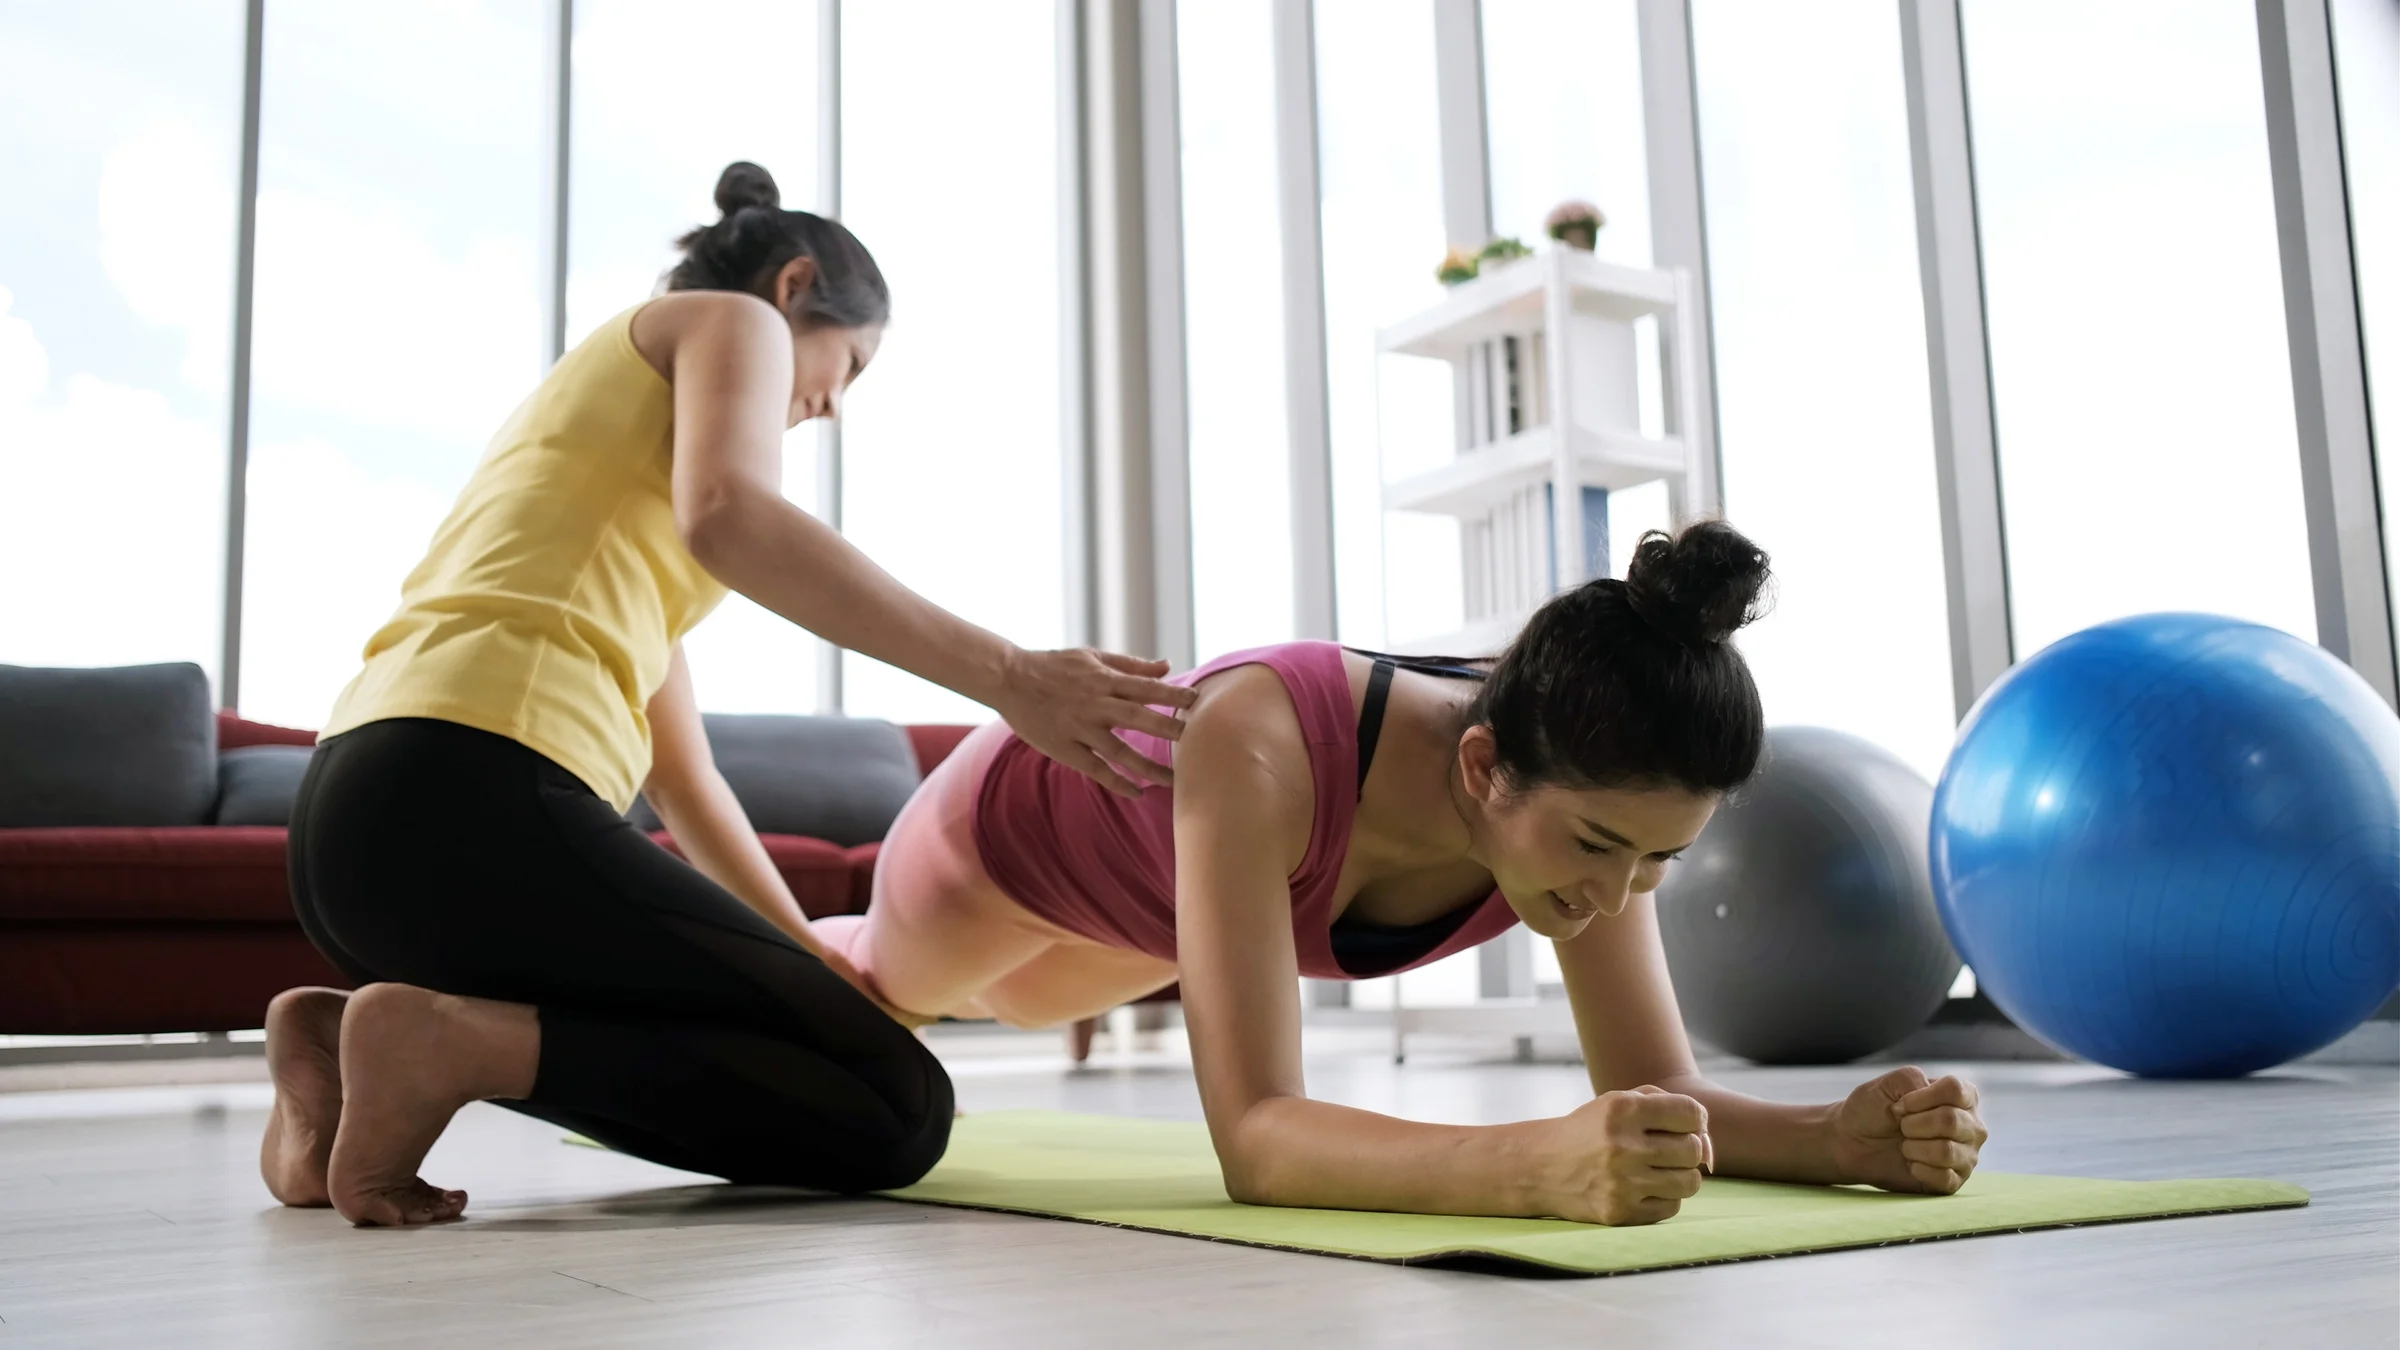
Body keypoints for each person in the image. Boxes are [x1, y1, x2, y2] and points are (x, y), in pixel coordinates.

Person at [259, 161, 1197, 1227]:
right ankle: (442, 1044)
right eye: (850, 364)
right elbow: (732, 516)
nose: (831, 403)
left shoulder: (597, 469)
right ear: (795, 287)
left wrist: (814, 967)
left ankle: (349, 1047)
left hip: (360, 827)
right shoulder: (729, 320)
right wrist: (1014, 677)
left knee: (848, 1068)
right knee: (896, 1109)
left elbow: (685, 780)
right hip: (473, 791)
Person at [813, 521, 1991, 1225]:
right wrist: (1531, 1165)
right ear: (1482, 769)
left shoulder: (1585, 777)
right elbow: (1257, 1142)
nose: (1614, 896)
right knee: (879, 998)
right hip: (998, 846)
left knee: (1025, 1004)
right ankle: (765, 918)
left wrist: (1837, 1141)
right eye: (1597, 848)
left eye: (1661, 862)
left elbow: (1657, 1089)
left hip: (1140, 924)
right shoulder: (1261, 742)